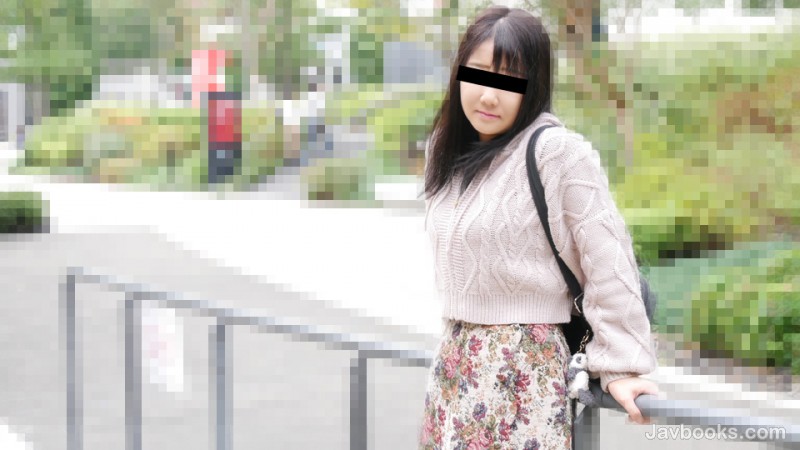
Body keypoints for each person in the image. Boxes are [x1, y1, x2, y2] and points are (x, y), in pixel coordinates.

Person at [418, 6, 659, 449]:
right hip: (454, 365)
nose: (489, 96)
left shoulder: (556, 153)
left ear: (534, 86)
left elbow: (609, 259)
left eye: (510, 80)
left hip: (521, 374)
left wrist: (623, 368)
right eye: (478, 74)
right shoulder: (447, 152)